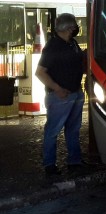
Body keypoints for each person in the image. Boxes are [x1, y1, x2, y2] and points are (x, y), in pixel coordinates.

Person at [35, 13, 87, 176]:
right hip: (60, 96)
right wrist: (57, 88)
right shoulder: (52, 47)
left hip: (75, 93)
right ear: (68, 28)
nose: (75, 29)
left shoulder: (72, 44)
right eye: (73, 27)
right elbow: (40, 72)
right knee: (53, 131)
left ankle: (75, 161)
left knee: (73, 129)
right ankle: (49, 164)